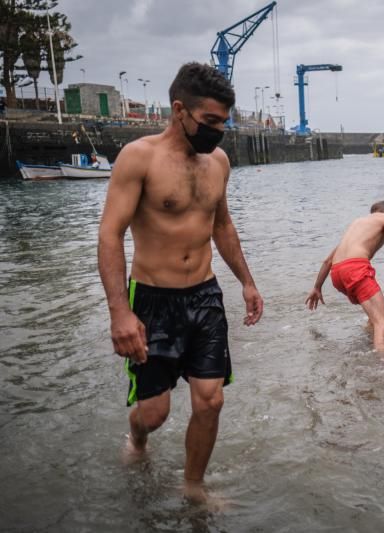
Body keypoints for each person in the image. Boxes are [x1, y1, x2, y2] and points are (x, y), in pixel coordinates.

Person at [97, 62, 264, 502]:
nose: (218, 132)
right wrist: (120, 311)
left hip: (205, 295)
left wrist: (246, 281)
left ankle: (193, 487)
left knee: (210, 400)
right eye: (210, 121)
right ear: (179, 111)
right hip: (152, 299)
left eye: (223, 123)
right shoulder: (140, 157)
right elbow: (109, 233)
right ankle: (136, 437)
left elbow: (222, 225)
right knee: (154, 414)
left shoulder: (219, 161)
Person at [305, 201, 384, 359]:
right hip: (355, 269)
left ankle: (372, 344)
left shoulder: (358, 224)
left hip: (337, 273)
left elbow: (327, 261)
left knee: (374, 318)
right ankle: (382, 369)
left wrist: (317, 287)